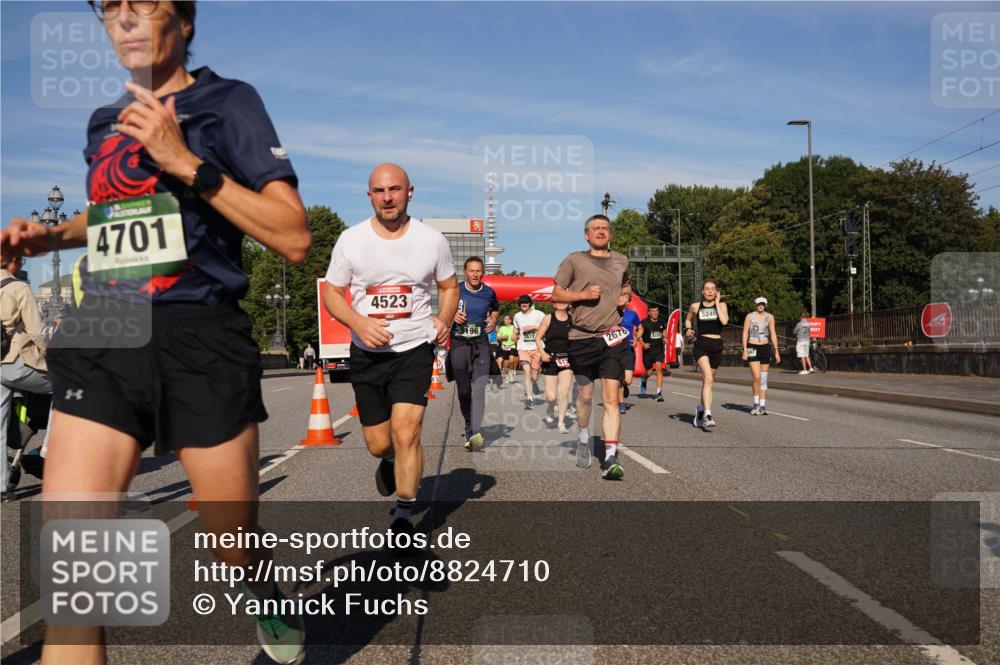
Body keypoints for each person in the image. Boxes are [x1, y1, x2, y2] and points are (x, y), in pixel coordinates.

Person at [2, 2, 312, 662]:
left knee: (231, 537)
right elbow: (112, 211)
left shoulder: (230, 104)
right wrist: (47, 235)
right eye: (111, 8)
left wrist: (182, 158)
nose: (125, 19)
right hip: (105, 331)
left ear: (187, 21)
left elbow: (291, 234)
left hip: (201, 336)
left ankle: (260, 582)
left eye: (143, 4)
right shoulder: (102, 122)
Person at [322, 163, 458, 540]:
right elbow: (332, 293)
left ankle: (404, 515)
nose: (387, 198)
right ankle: (390, 460)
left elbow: (449, 287)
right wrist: (358, 322)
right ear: (369, 196)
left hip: (414, 348)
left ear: (409, 192)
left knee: (407, 431)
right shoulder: (351, 240)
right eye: (380, 191)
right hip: (366, 353)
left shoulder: (432, 241)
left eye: (395, 190)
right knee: (379, 443)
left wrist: (443, 319)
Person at [552, 214, 630, 480]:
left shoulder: (622, 260)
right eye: (595, 229)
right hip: (581, 337)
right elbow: (557, 293)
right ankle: (584, 435)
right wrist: (583, 295)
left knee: (611, 399)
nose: (601, 232)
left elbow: (627, 285)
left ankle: (610, 457)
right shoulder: (574, 260)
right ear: (586, 235)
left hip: (612, 337)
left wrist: (626, 296)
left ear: (610, 233)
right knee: (585, 396)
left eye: (605, 228)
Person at [1, 253, 53, 501]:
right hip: (15, 363)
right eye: (20, 261)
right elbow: (38, 331)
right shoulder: (19, 287)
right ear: (11, 262)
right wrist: (48, 355)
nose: (21, 265)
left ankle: (2, 486)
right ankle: (47, 450)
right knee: (68, 386)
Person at [447, 256, 498, 451]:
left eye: (479, 271)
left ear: (483, 273)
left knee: (479, 388)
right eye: (472, 270)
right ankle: (468, 422)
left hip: (481, 342)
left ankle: (474, 431)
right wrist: (452, 315)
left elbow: (495, 309)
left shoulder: (488, 292)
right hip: (459, 341)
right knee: (464, 390)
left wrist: (493, 321)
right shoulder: (455, 290)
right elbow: (443, 310)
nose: (475, 274)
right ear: (465, 272)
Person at [685, 279, 729, 429]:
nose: (710, 291)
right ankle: (708, 415)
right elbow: (688, 319)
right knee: (708, 378)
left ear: (716, 292)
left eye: (712, 289)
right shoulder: (695, 306)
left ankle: (700, 409)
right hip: (701, 345)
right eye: (707, 289)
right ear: (702, 292)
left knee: (708, 382)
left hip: (717, 346)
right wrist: (688, 329)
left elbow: (724, 321)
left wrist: (717, 303)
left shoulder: (722, 305)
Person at [535, 301, 574, 433]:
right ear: (554, 304)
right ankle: (550, 408)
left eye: (564, 301)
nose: (562, 303)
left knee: (564, 393)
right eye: (558, 301)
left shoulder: (573, 318)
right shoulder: (548, 318)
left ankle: (561, 422)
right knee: (551, 397)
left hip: (566, 359)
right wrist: (542, 353)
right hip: (550, 358)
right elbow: (538, 337)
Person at [742, 297, 781, 415]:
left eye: (763, 304)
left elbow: (773, 334)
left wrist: (776, 350)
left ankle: (762, 405)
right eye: (759, 304)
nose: (761, 306)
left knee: (763, 379)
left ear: (766, 305)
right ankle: (755, 404)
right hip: (752, 347)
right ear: (755, 305)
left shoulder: (770, 317)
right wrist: (744, 349)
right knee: (757, 377)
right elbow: (745, 333)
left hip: (765, 347)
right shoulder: (749, 316)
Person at [512, 294, 545, 409]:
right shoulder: (517, 316)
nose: (524, 304)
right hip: (523, 347)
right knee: (526, 372)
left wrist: (534, 327)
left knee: (534, 376)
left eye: (526, 303)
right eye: (521, 303)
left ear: (530, 304)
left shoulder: (539, 314)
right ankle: (529, 399)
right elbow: (516, 329)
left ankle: (534, 382)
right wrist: (513, 335)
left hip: (537, 347)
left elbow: (546, 326)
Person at [617, 291, 641, 415]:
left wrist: (637, 338)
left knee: (628, 380)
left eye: (627, 300)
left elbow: (640, 327)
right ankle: (621, 404)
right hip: (615, 349)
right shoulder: (612, 313)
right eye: (623, 298)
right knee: (619, 378)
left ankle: (625, 386)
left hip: (628, 349)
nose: (625, 302)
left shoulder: (632, 314)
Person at [638, 304, 667, 402]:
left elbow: (664, 333)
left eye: (657, 311)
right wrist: (643, 344)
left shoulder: (662, 321)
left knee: (659, 367)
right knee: (649, 372)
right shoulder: (644, 322)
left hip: (658, 350)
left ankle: (658, 393)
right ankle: (644, 379)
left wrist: (665, 338)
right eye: (653, 311)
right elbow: (638, 336)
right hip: (648, 351)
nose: (655, 313)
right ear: (649, 313)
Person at [496, 315, 516, 385]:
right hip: (504, 347)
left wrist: (516, 336)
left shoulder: (513, 327)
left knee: (512, 361)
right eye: (504, 319)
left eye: (506, 319)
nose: (505, 320)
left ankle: (511, 372)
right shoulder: (502, 328)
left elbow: (517, 333)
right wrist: (502, 337)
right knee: (505, 364)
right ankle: (507, 376)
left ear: (510, 321)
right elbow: (497, 337)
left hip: (512, 346)